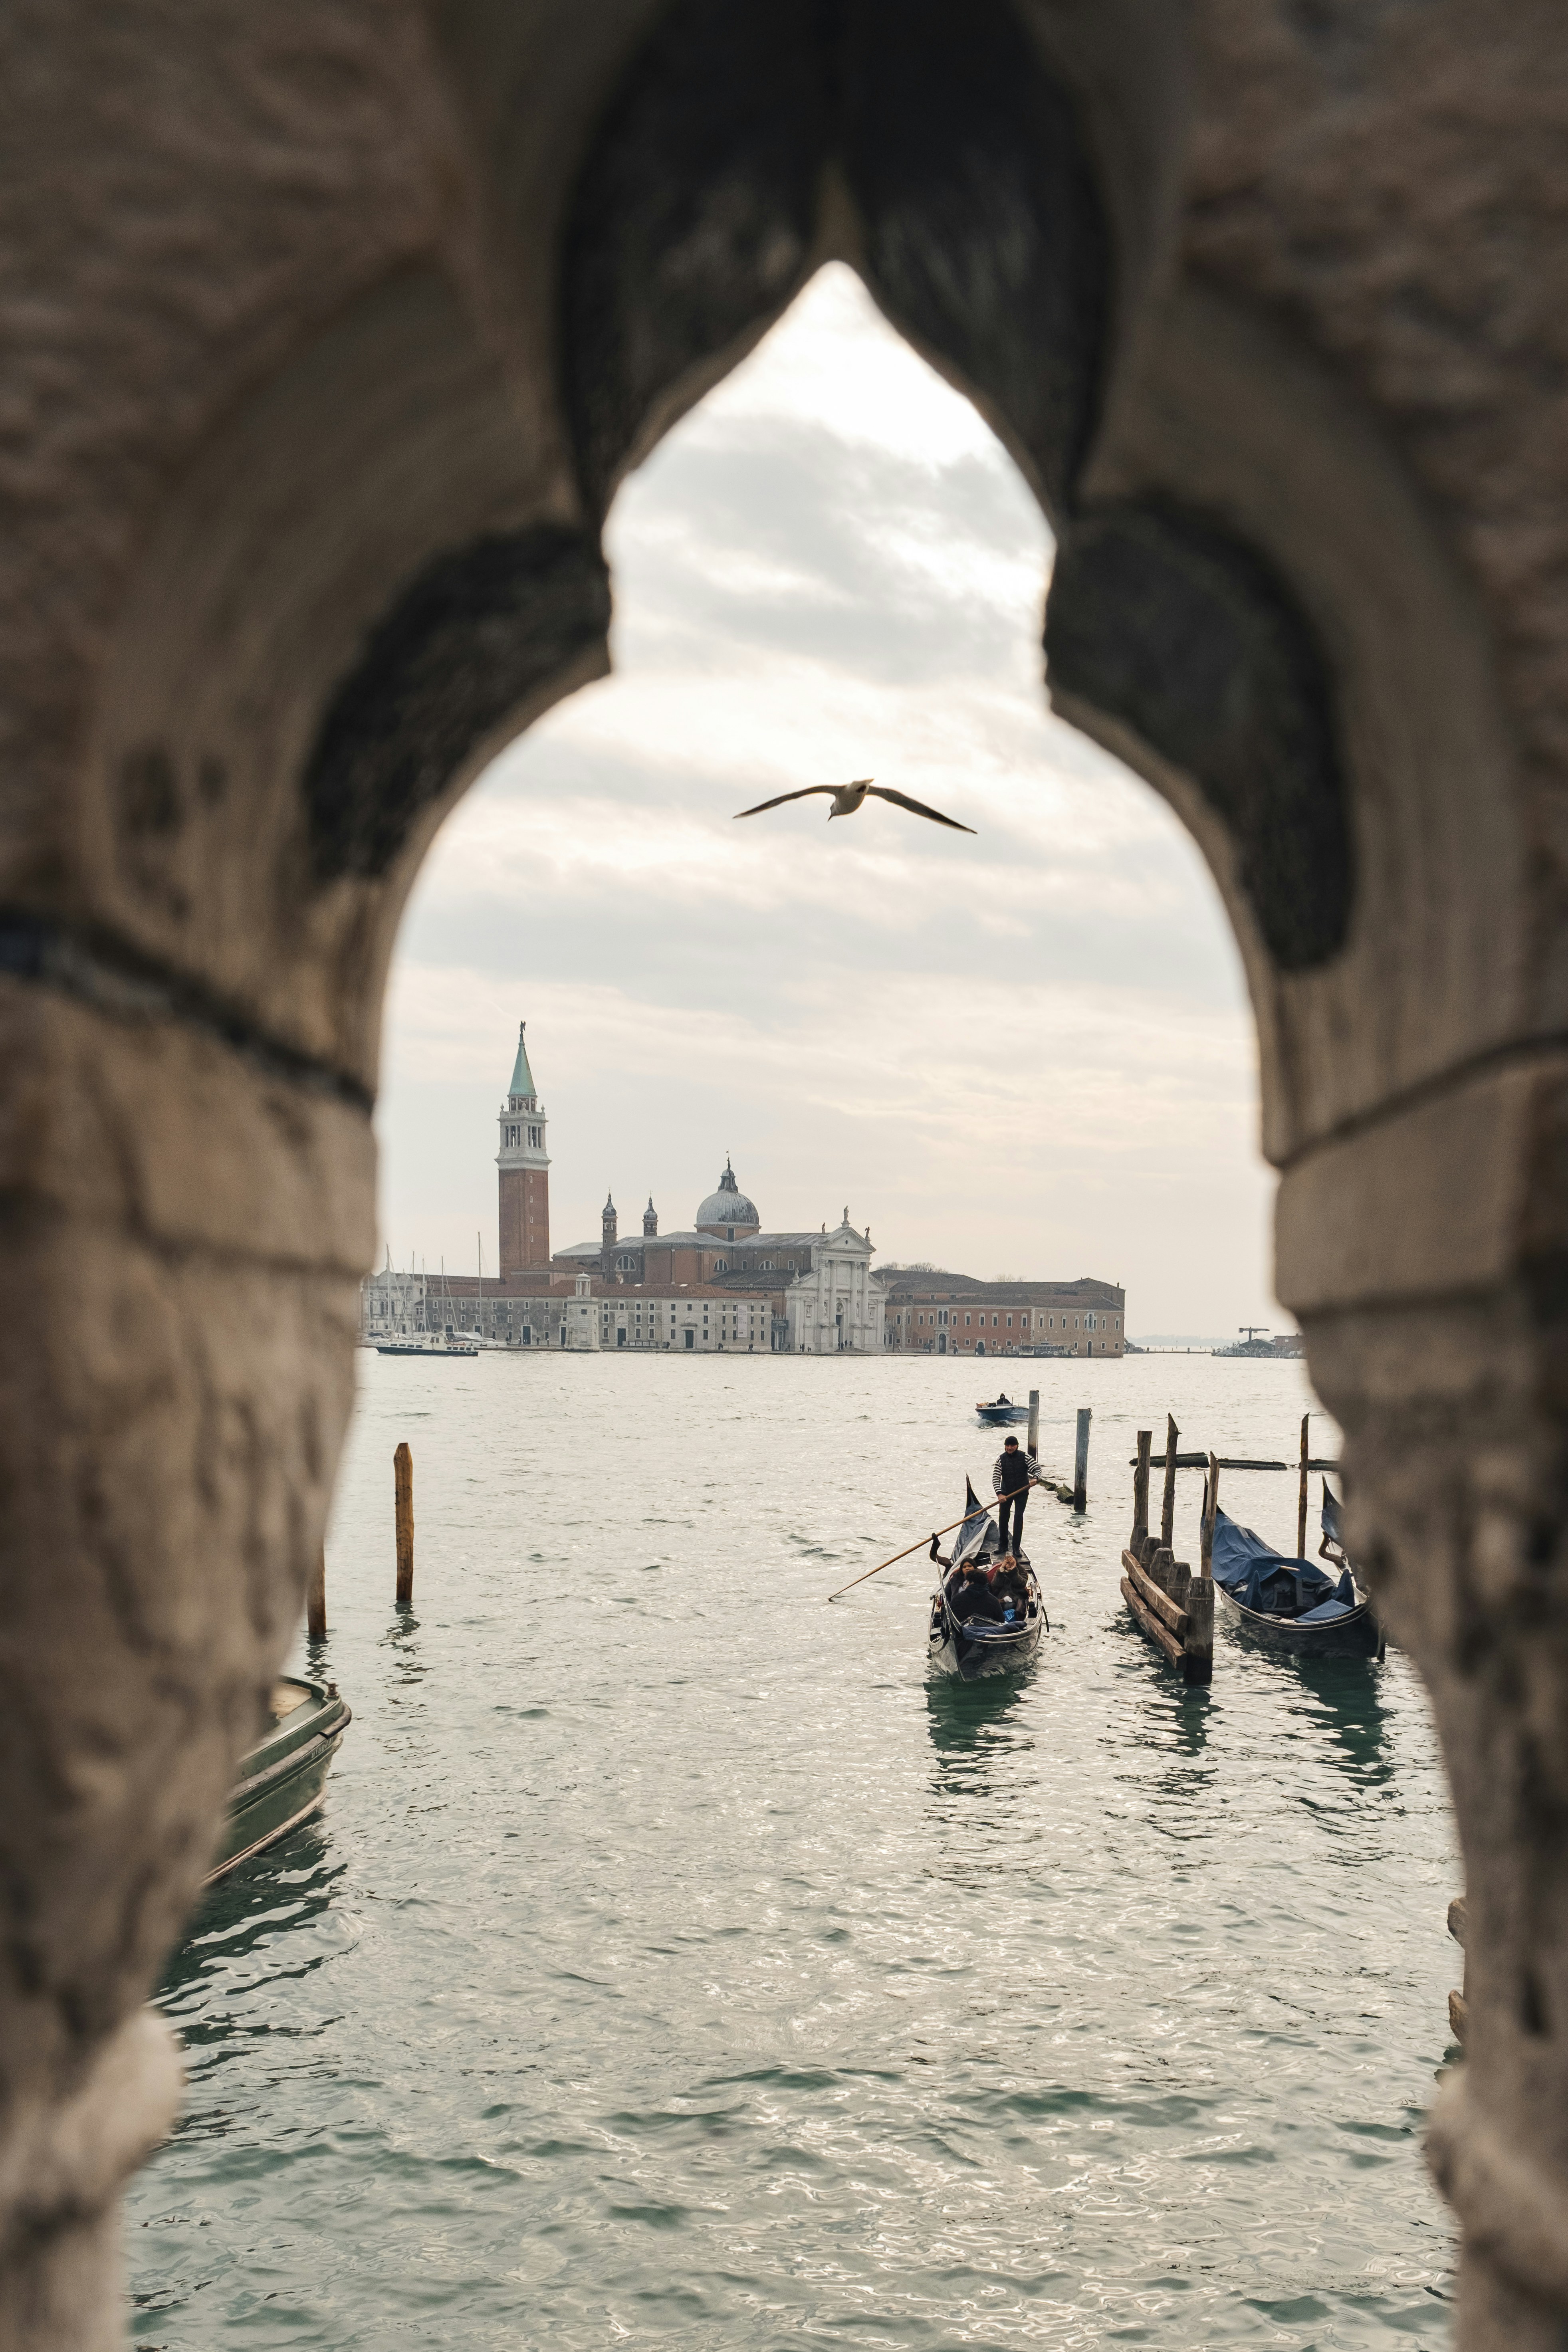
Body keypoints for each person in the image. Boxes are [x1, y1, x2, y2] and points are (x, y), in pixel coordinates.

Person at [992, 1433, 1039, 1559]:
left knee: (1018, 1518)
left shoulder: (1025, 1457)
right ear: (1005, 1447)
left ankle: (1016, 1548)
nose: (1010, 1448)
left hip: (1022, 1492)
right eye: (1008, 1446)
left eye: (1012, 1445)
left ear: (1017, 1446)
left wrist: (1035, 1478)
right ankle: (1003, 1545)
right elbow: (996, 1478)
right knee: (1003, 1519)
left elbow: (1037, 1468)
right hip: (1006, 1493)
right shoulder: (1001, 1459)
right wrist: (999, 1494)